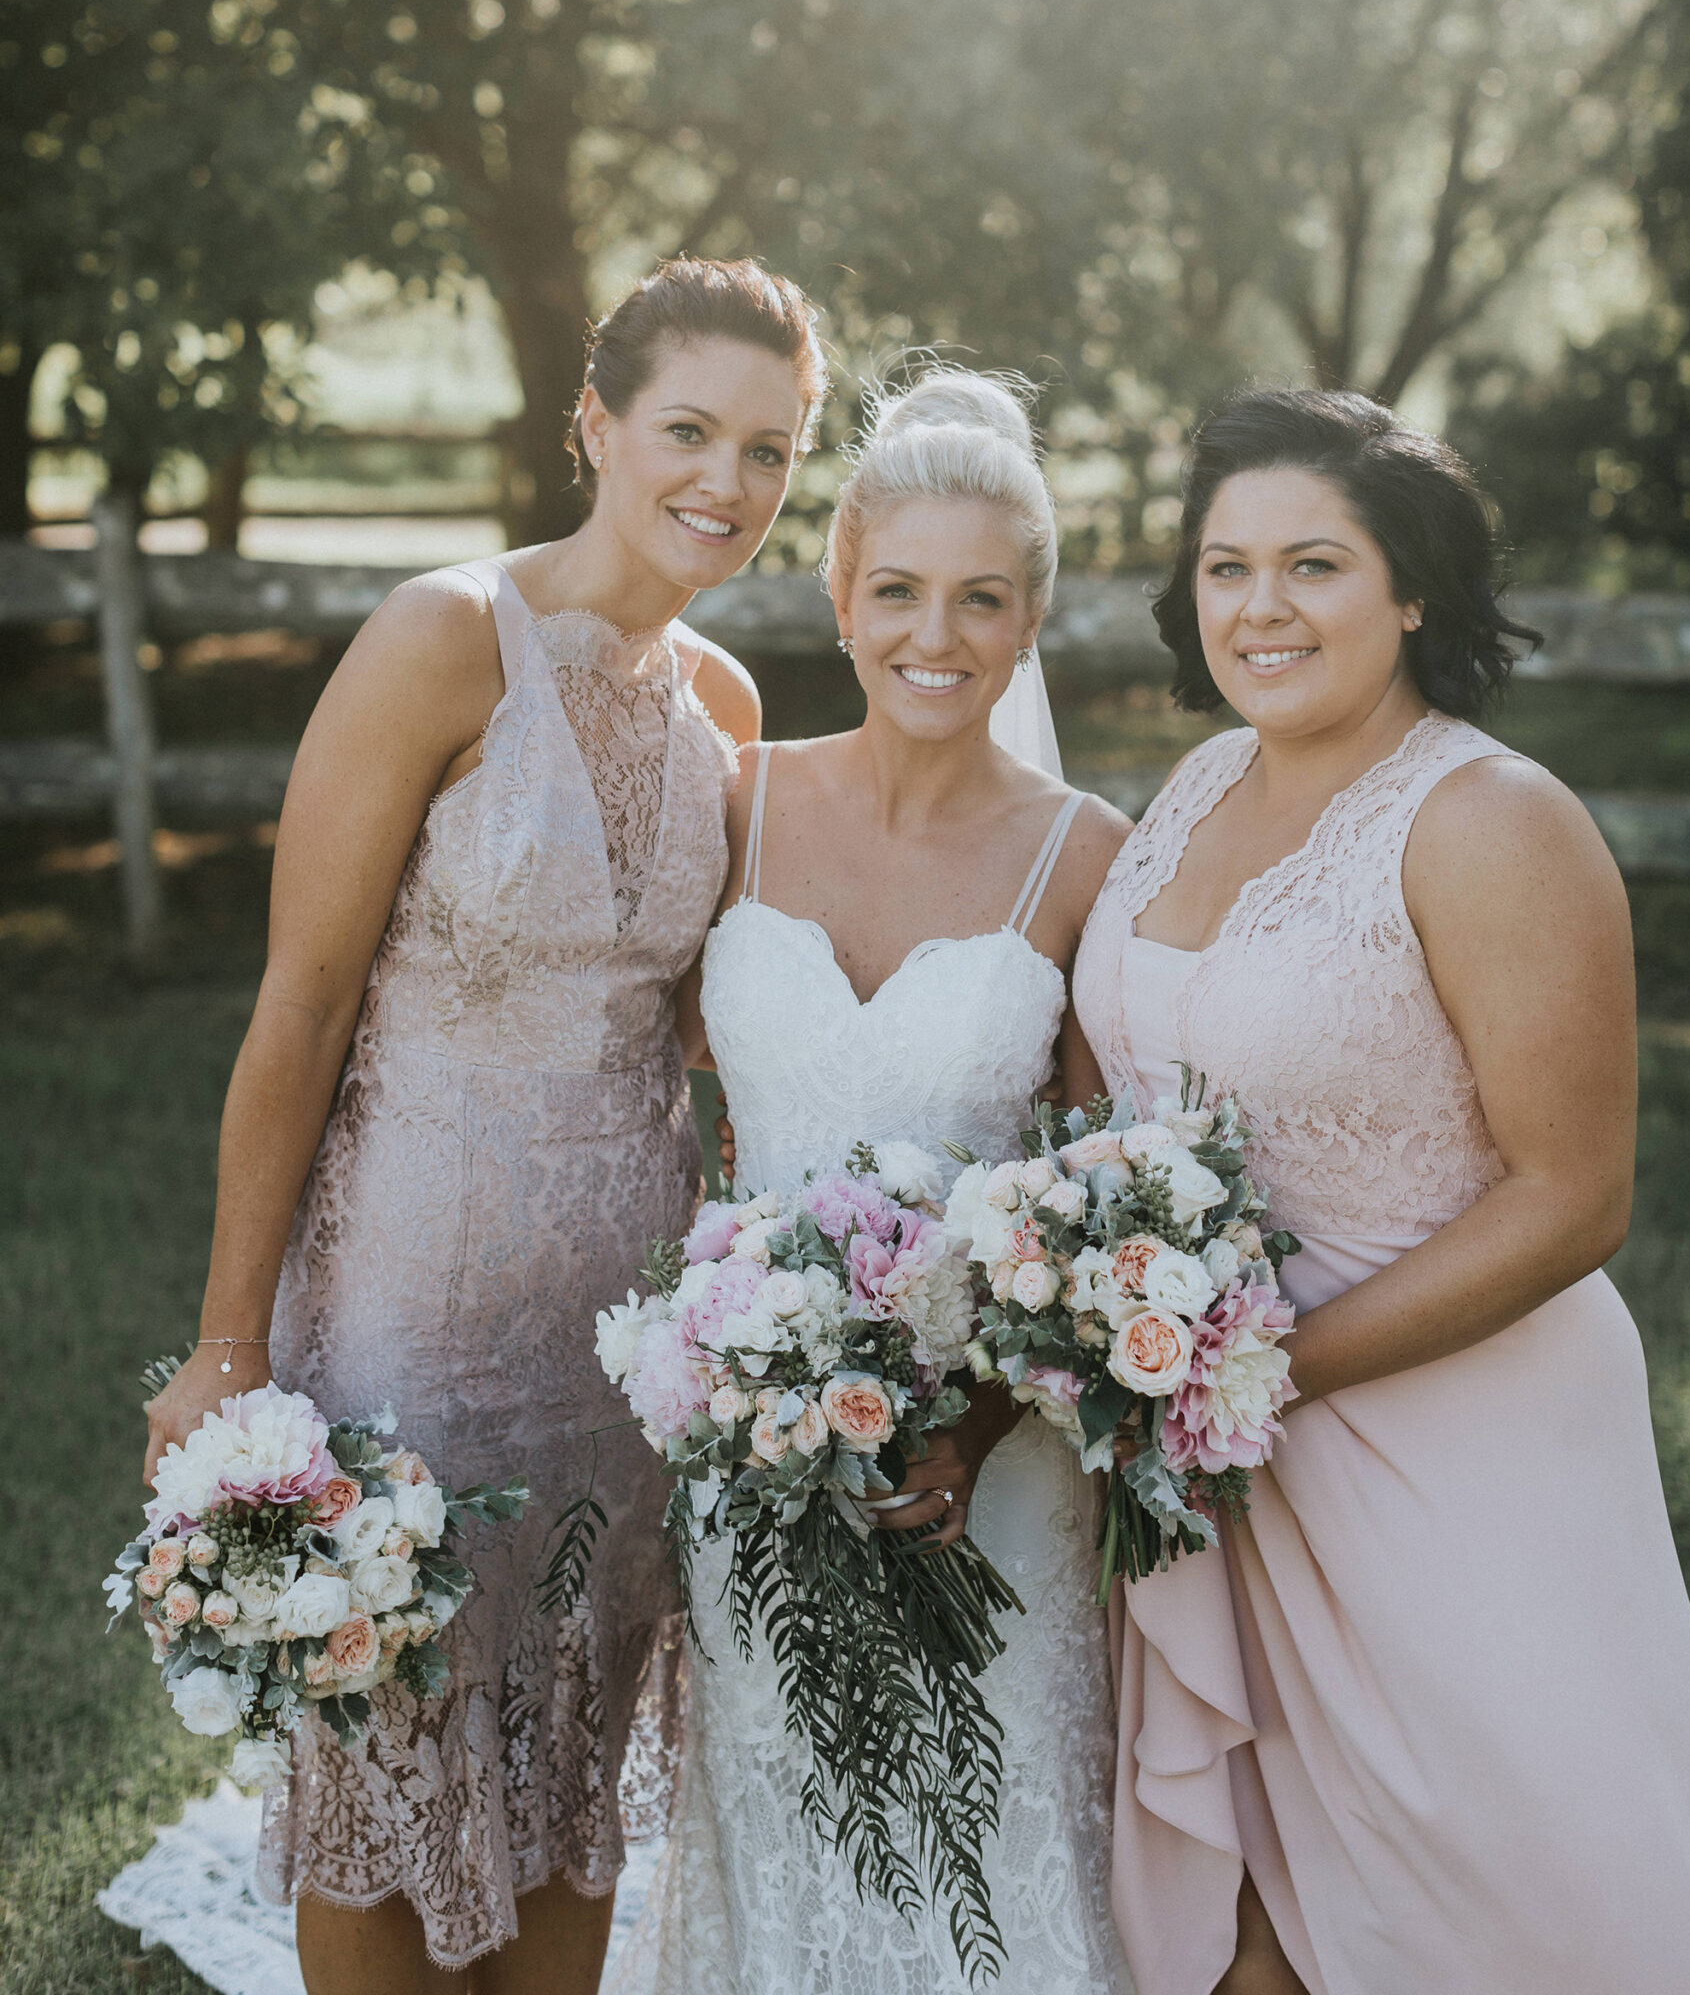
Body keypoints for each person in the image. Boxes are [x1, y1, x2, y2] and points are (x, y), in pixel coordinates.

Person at [141, 257, 826, 1995]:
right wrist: (230, 1342)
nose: (727, 485)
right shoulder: (441, 639)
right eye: (689, 429)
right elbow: (299, 1006)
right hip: (411, 1304)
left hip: (623, 1334)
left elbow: (715, 1040)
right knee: (392, 1737)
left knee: (574, 1754)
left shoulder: (730, 710)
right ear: (591, 425)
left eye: (771, 450)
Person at [1069, 386, 1690, 1995]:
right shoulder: (1201, 784)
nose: (1260, 608)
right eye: (1225, 568)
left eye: (1313, 565)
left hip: (1445, 1451)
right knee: (1245, 1937)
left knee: (1485, 1902)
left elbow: (1575, 1196)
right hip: (1211, 1455)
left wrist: (1261, 1375)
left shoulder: (1491, 822)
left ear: (1412, 586)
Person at [612, 370, 1136, 1995]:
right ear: (837, 598)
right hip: (749, 1457)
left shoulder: (1087, 855)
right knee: (780, 1841)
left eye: (983, 599)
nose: (936, 634)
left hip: (990, 1473)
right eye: (898, 591)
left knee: (989, 1846)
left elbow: (1101, 1207)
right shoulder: (739, 807)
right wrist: (737, 1362)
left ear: (1030, 617)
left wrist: (977, 1420)